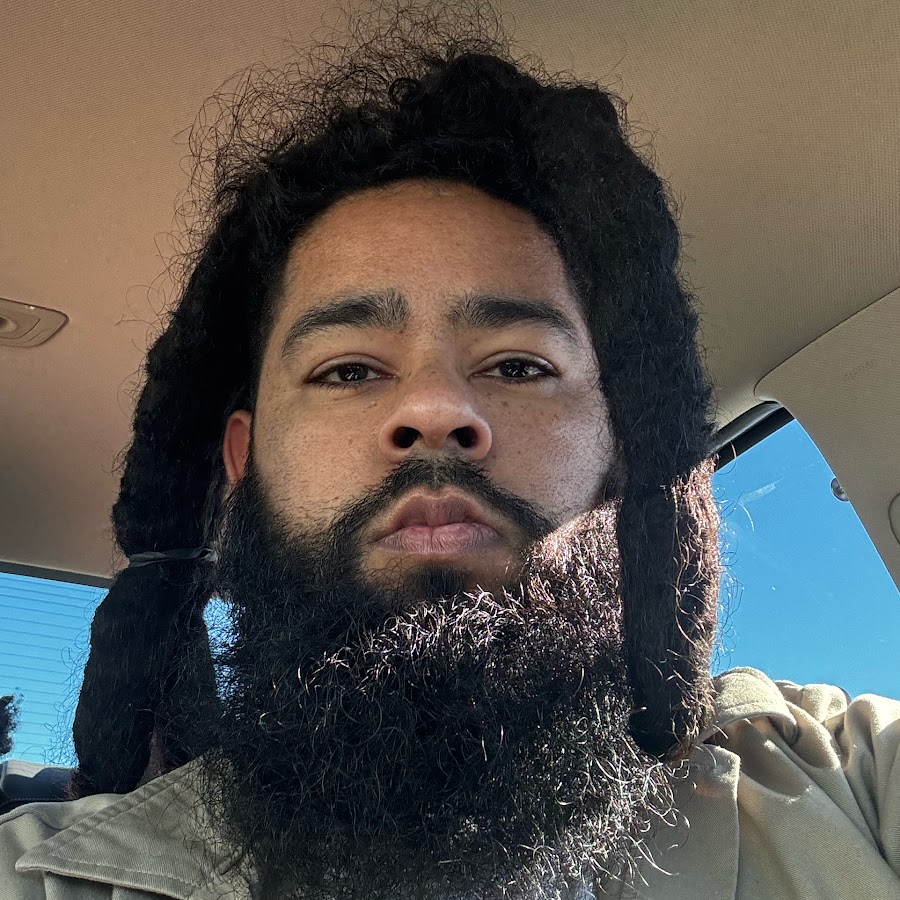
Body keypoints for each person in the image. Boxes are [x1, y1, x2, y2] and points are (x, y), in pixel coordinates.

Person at [1, 2, 898, 898]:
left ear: (623, 448)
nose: (435, 409)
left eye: (518, 364)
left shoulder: (852, 783)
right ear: (244, 462)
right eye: (349, 370)